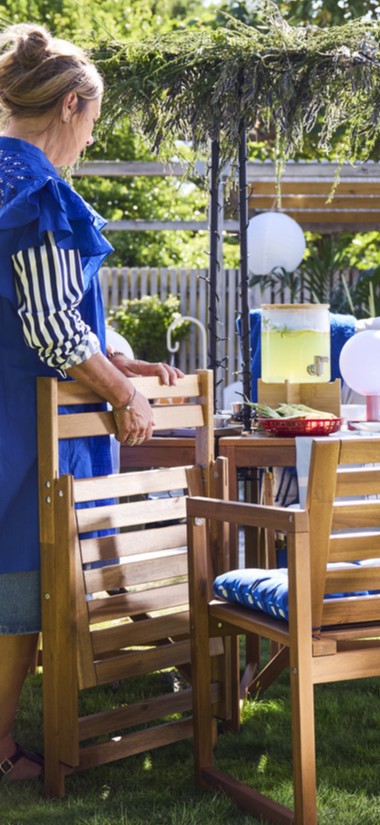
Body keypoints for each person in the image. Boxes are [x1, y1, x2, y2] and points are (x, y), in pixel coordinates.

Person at [0, 23, 183, 782]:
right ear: (71, 105)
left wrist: (113, 356)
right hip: (22, 426)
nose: (90, 138)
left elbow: (32, 310)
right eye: (94, 119)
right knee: (15, 591)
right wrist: (124, 392)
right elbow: (49, 326)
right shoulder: (37, 190)